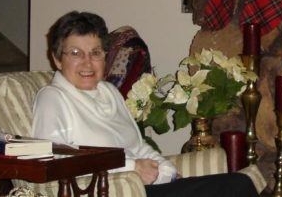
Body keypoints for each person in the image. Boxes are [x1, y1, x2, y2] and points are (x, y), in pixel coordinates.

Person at [32, 10, 259, 197]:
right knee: (236, 187)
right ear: (56, 58)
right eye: (75, 53)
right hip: (108, 191)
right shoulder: (52, 98)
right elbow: (56, 160)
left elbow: (138, 146)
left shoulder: (109, 92)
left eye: (96, 53)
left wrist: (167, 171)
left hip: (140, 189)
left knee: (239, 183)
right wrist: (132, 169)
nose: (87, 62)